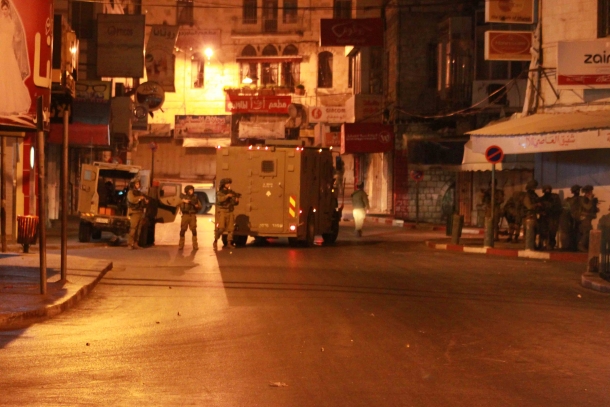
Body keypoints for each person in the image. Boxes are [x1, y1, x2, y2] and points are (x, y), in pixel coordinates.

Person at [0, 0, 31, 115]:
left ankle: (11, 106)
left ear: (9, 10)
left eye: (6, 9)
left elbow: (17, 38)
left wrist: (15, 41)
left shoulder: (12, 23)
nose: (4, 11)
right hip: (1, 51)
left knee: (10, 77)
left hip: (9, 52)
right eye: (3, 9)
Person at [214, 178, 240, 248]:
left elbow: (234, 203)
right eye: (227, 184)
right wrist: (227, 196)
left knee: (231, 228)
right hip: (222, 211)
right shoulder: (220, 193)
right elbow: (220, 200)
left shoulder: (231, 192)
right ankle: (215, 240)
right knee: (221, 228)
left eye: (229, 184)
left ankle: (229, 242)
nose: (228, 185)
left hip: (230, 211)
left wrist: (236, 200)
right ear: (223, 184)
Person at [538, 185, 563, 250]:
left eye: (548, 189)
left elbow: (558, 207)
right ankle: (544, 244)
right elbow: (538, 209)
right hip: (544, 217)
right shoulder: (541, 199)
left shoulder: (555, 197)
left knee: (552, 231)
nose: (547, 191)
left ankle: (551, 244)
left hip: (553, 217)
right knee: (544, 231)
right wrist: (542, 212)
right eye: (546, 190)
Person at [126, 179, 148, 249]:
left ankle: (136, 243)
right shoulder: (130, 192)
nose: (138, 185)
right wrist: (140, 198)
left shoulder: (139, 193)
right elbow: (132, 200)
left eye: (138, 184)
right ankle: (130, 244)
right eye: (137, 184)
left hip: (140, 212)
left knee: (139, 229)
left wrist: (145, 201)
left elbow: (143, 202)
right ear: (133, 185)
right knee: (133, 228)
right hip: (134, 212)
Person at [178, 185, 202, 250]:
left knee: (194, 230)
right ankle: (181, 245)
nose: (192, 191)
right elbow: (176, 203)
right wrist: (183, 201)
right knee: (183, 230)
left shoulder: (195, 198)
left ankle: (195, 245)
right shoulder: (183, 198)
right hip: (185, 215)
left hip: (192, 215)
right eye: (190, 190)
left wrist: (197, 206)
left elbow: (200, 206)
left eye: (192, 190)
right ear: (187, 191)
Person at [577, 185, 599, 252]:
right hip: (584, 218)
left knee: (588, 231)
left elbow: (592, 209)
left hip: (588, 217)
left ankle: (584, 245)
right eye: (590, 192)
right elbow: (588, 207)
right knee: (587, 231)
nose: (591, 193)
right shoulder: (583, 199)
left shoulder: (588, 199)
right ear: (587, 192)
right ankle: (581, 245)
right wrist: (591, 200)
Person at [559, 184, 581, 251]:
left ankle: (570, 246)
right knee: (570, 233)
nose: (579, 191)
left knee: (573, 233)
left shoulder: (569, 200)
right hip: (572, 218)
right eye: (578, 190)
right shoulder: (574, 200)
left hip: (573, 218)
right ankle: (569, 246)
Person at [523, 179, 541, 247]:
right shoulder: (527, 195)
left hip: (533, 215)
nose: (535, 188)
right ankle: (528, 245)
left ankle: (533, 244)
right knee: (529, 231)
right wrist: (537, 205)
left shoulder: (534, 195)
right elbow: (529, 206)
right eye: (534, 186)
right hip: (528, 215)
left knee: (535, 230)